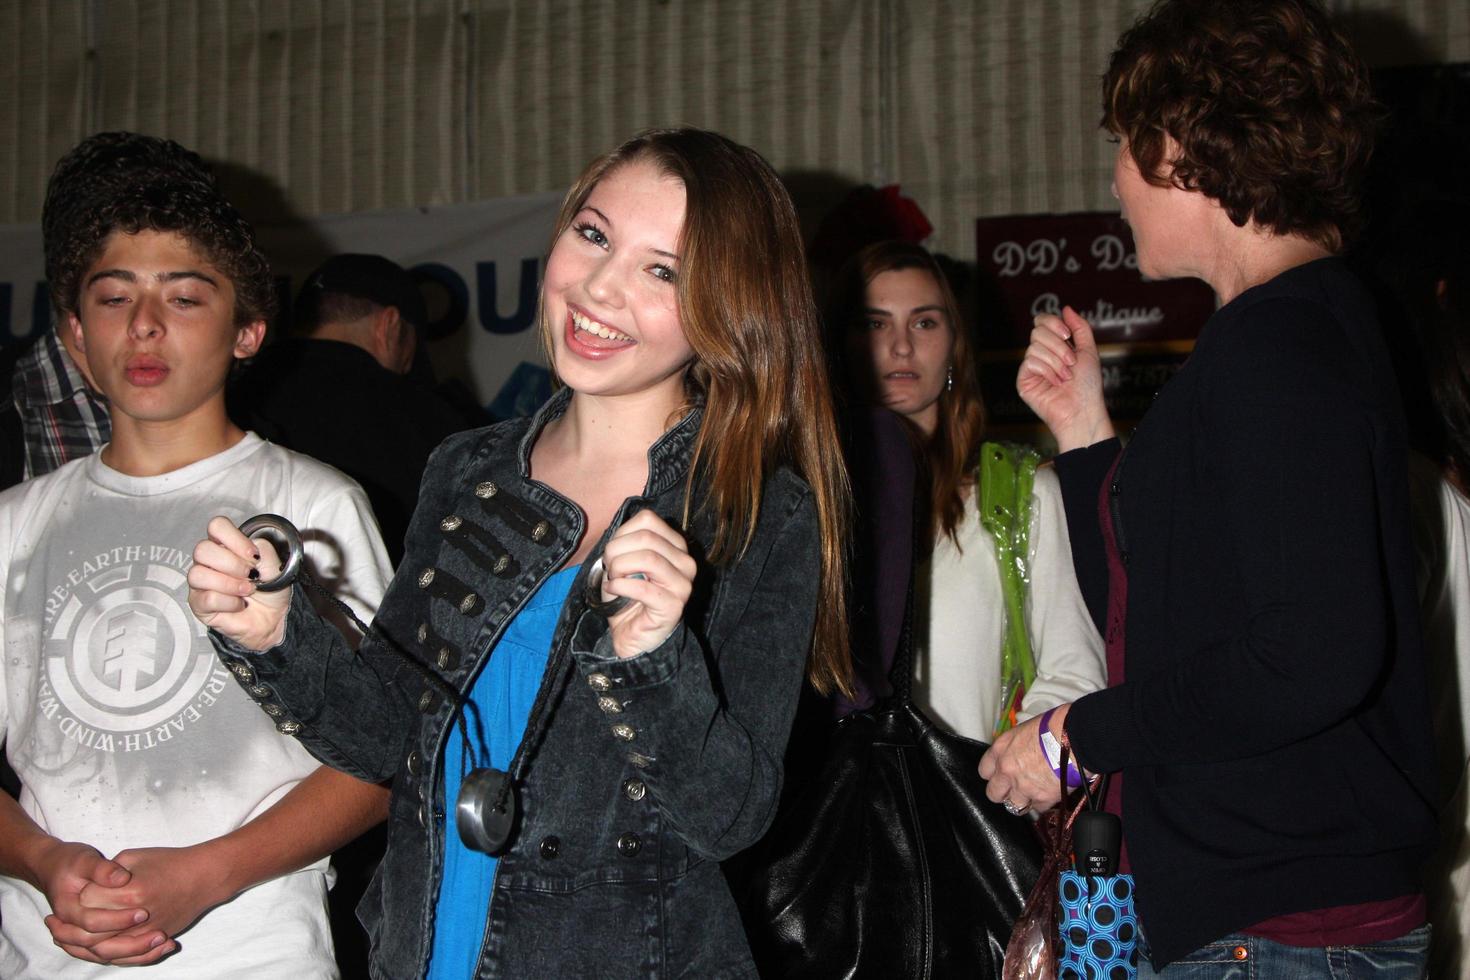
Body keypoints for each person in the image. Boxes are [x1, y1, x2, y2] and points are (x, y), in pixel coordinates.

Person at [188, 127, 850, 979]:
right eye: (593, 234)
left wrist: (653, 662)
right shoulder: (468, 469)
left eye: (664, 271)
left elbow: (731, 818)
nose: (602, 287)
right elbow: (390, 736)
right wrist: (275, 635)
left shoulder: (756, 509)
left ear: (731, 310)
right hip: (424, 945)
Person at [979, 0, 1437, 974]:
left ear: (1186, 148)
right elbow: (1169, 626)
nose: (1115, 180)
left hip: (1279, 926)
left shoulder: (1278, 345)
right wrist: (1083, 432)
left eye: (1126, 145)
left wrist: (1073, 737)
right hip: (1257, 912)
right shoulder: (1285, 334)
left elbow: (1312, 653)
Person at [0, 131, 393, 977]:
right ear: (72, 335)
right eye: (112, 299)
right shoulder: (14, 525)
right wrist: (41, 859)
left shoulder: (312, 508)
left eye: (184, 299)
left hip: (255, 953)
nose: (144, 326)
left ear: (249, 330)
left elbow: (387, 754)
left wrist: (209, 874)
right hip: (44, 954)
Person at [831, 240, 1104, 739]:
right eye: (873, 323)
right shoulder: (807, 502)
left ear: (955, 344)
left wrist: (1006, 783)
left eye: (924, 321)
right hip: (835, 805)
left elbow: (1077, 675)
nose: (900, 345)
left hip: (975, 803)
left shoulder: (1023, 495)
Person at [230, 253, 478, 563]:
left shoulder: (230, 398)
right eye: (412, 349)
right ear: (390, 325)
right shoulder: (426, 417)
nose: (409, 364)